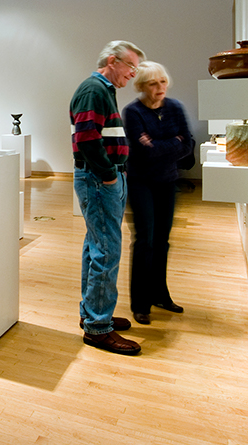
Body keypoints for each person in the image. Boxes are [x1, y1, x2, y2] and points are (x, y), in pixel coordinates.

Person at [71, 40, 145, 355]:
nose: (133, 73)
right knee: (106, 251)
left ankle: (94, 313)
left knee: (97, 247)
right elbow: (87, 138)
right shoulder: (94, 90)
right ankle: (98, 328)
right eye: (130, 66)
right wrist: (109, 174)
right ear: (112, 60)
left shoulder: (104, 90)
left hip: (104, 178)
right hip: (99, 179)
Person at [122, 61, 193, 325]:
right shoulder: (133, 112)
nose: (160, 87)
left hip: (167, 181)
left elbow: (188, 144)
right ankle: (140, 303)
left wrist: (160, 145)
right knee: (145, 241)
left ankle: (160, 295)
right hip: (141, 183)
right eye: (153, 83)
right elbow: (143, 152)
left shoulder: (174, 107)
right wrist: (172, 143)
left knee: (163, 240)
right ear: (141, 86)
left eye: (162, 81)